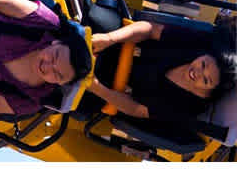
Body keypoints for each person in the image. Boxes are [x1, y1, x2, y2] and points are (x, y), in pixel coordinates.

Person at [82, 19, 237, 122]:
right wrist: (109, 38)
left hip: (105, 85)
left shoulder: (188, 108)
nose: (197, 73)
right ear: (205, 54)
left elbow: (137, 109)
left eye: (205, 80)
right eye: (203, 64)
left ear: (208, 92)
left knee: (80, 103)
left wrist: (95, 86)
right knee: (97, 19)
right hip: (116, 44)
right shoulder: (198, 43)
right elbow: (150, 29)